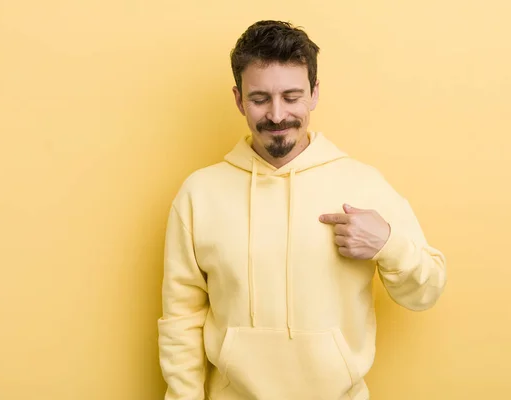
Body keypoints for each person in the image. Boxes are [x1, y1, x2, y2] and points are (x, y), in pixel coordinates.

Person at [157, 20, 447, 400]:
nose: (277, 116)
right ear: (238, 98)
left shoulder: (363, 184)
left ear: (314, 93)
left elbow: (426, 291)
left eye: (291, 97)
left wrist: (387, 244)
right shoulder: (199, 194)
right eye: (260, 99)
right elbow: (181, 320)